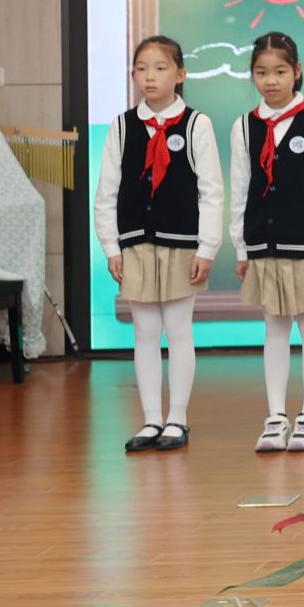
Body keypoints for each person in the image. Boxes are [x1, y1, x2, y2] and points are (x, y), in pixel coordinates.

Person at [95, 35, 223, 452]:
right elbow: (107, 192)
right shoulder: (122, 126)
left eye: (160, 68)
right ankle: (151, 419)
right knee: (145, 333)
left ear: (180, 74)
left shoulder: (196, 124)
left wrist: (207, 248)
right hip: (135, 244)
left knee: (179, 331)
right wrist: (111, 247)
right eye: (142, 68)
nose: (149, 77)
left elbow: (211, 191)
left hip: (182, 244)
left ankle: (177, 419)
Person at [231, 31, 304, 453]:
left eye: (280, 71)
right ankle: (276, 416)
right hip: (264, 242)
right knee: (275, 327)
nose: (271, 81)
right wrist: (242, 246)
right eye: (261, 72)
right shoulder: (245, 126)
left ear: (297, 71)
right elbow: (240, 189)